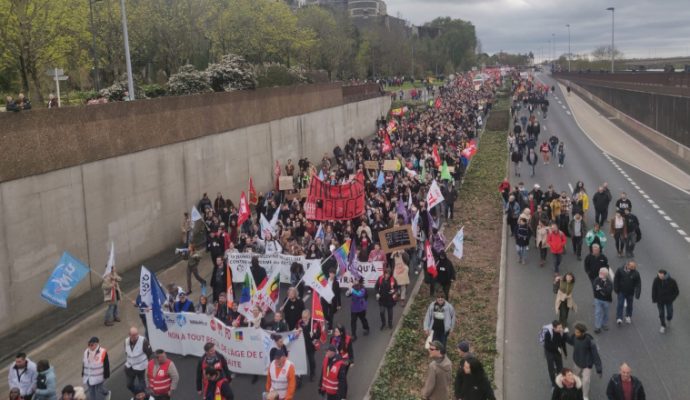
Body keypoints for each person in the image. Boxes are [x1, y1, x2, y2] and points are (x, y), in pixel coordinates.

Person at [564, 323, 602, 400]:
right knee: (575, 377)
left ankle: (585, 396)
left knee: (586, 380)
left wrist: (599, 369)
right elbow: (571, 341)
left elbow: (595, 355)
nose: (575, 333)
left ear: (583, 333)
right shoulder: (574, 337)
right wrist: (565, 335)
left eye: (577, 332)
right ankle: (575, 389)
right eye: (575, 331)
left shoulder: (589, 341)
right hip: (577, 362)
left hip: (587, 365)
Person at [124, 327, 153, 395]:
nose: (136, 336)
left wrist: (149, 366)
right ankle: (138, 394)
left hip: (142, 368)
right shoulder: (126, 341)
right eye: (133, 335)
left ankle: (144, 396)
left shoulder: (143, 341)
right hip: (130, 368)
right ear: (129, 335)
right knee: (129, 385)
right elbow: (126, 353)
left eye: (136, 334)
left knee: (142, 387)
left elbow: (149, 353)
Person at [651, 269, 679, 333]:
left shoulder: (672, 281)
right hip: (660, 301)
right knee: (661, 313)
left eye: (661, 276)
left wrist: (672, 298)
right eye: (659, 275)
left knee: (670, 312)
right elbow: (654, 290)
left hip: (668, 301)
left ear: (665, 275)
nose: (660, 277)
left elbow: (676, 291)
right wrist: (654, 299)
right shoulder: (656, 280)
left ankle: (669, 319)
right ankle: (663, 325)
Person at [614, 261, 641, 325]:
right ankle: (619, 318)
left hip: (630, 292)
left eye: (634, 267)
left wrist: (637, 293)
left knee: (630, 305)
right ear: (628, 265)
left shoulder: (636, 273)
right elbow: (616, 279)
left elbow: (638, 284)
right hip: (621, 291)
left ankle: (628, 316)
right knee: (620, 304)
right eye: (632, 266)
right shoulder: (620, 270)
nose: (633, 268)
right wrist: (616, 288)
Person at [541, 320, 567, 387]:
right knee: (551, 369)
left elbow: (562, 343)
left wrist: (565, 353)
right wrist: (556, 348)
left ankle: (559, 379)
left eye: (561, 327)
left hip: (557, 351)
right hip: (549, 352)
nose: (561, 329)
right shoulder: (548, 334)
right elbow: (547, 346)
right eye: (559, 328)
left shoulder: (561, 332)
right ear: (554, 328)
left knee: (560, 367)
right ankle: (553, 383)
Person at [592, 267, 613, 334]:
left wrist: (600, 289)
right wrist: (602, 290)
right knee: (598, 313)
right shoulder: (597, 279)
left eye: (602, 273)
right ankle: (597, 327)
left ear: (606, 274)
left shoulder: (609, 282)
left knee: (606, 313)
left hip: (606, 300)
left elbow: (608, 292)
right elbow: (595, 287)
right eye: (600, 272)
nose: (600, 273)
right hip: (597, 299)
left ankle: (604, 324)